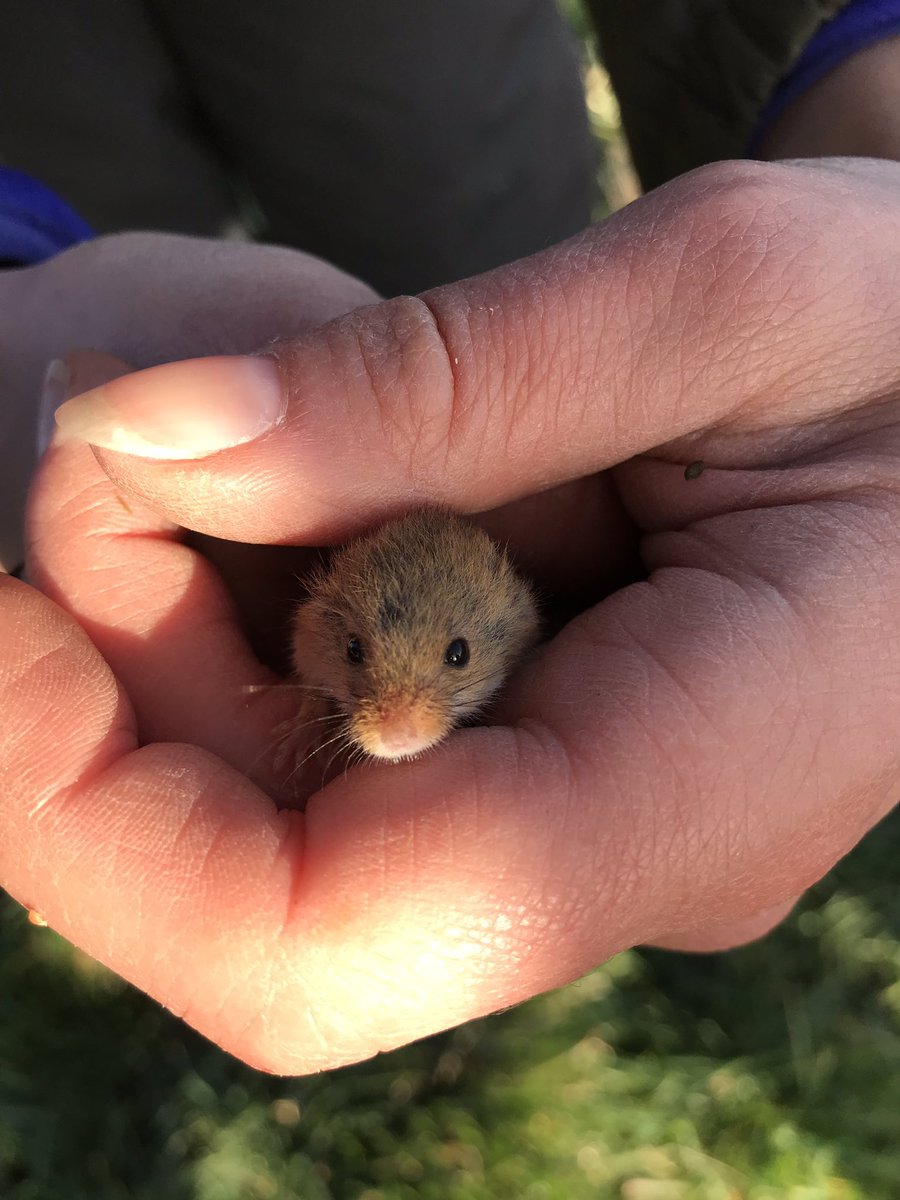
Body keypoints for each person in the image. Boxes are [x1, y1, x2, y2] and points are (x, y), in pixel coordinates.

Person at [3, 2, 900, 1073]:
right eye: (360, 661)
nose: (394, 713)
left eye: (454, 661)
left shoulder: (517, 602)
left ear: (507, 617)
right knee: (89, 134)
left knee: (451, 174)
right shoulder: (340, 610)